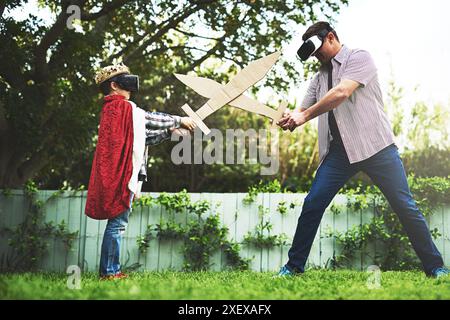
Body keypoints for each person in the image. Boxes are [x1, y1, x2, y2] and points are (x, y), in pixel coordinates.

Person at [277, 21, 449, 278]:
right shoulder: (318, 78)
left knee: (405, 206)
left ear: (332, 37)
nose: (317, 57)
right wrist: (292, 117)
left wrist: (304, 116)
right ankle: (293, 267)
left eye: (318, 50)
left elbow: (342, 92)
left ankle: (435, 267)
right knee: (313, 203)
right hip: (339, 154)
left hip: (377, 147)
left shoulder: (359, 58)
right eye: (312, 55)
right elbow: (303, 110)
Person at [85, 64, 195, 280]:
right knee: (117, 225)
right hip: (121, 175)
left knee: (117, 224)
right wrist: (179, 120)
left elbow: (142, 136)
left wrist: (169, 131)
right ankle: (109, 272)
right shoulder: (122, 108)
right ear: (114, 86)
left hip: (118, 173)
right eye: (123, 80)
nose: (130, 84)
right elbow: (149, 119)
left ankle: (110, 270)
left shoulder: (115, 110)